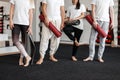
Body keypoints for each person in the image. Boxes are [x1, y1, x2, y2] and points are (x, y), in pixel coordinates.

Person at [36, 0, 65, 64]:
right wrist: (46, 18)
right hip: (48, 20)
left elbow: (62, 10)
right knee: (44, 38)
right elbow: (43, 8)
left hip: (58, 20)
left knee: (56, 39)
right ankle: (41, 57)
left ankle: (51, 55)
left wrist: (63, 22)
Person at [9, 0, 35, 67]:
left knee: (24, 42)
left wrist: (31, 26)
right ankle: (27, 57)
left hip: (26, 23)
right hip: (15, 22)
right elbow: (11, 8)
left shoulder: (31, 0)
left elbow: (31, 13)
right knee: (15, 40)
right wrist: (11, 20)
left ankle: (21, 59)